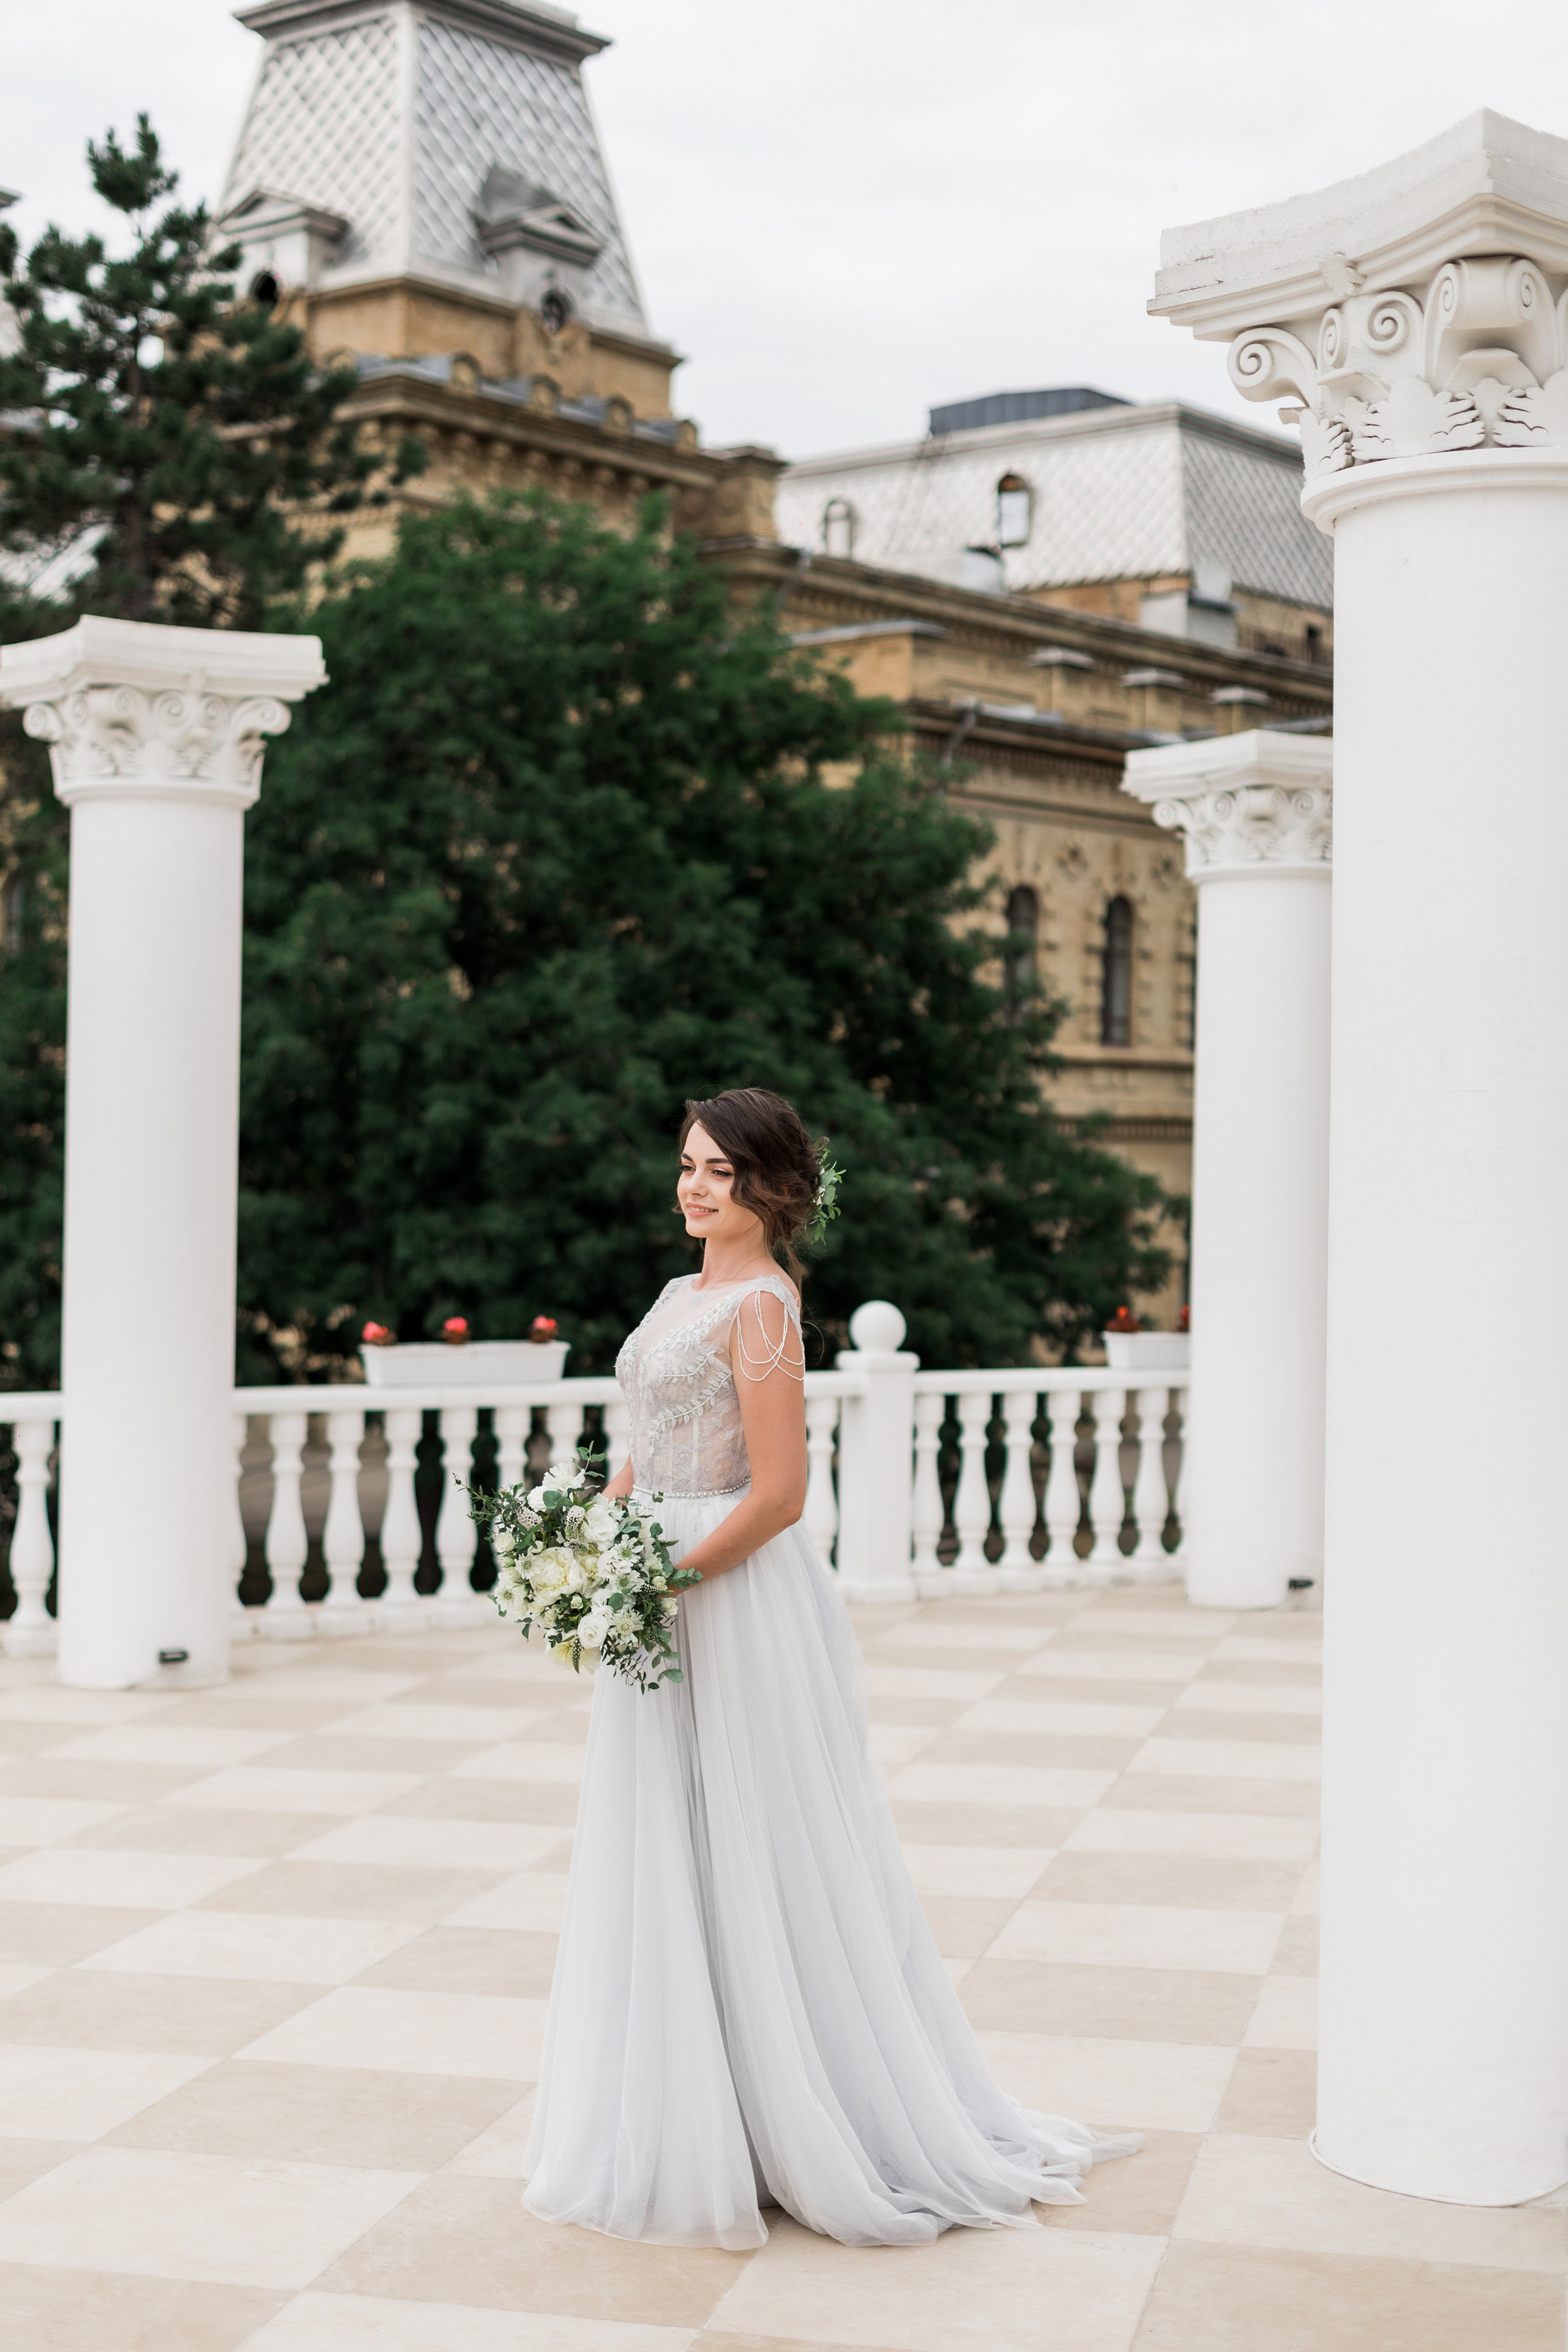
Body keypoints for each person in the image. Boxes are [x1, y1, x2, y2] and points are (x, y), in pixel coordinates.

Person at [522, 1086, 1136, 2248]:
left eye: (719, 1172)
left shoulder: (764, 1307)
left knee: (757, 1839)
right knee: (666, 1837)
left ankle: (799, 2117)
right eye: (688, 1166)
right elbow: (646, 1446)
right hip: (649, 1578)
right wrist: (587, 1541)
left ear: (772, 1188)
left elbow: (782, 1495)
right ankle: (702, 2116)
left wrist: (663, 1582)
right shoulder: (677, 1295)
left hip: (726, 1596)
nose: (694, 1187)